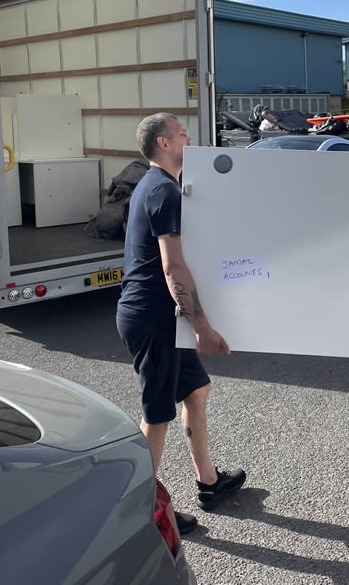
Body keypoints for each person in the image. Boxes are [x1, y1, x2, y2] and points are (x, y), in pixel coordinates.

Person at [116, 112, 246, 535]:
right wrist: (203, 328)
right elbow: (174, 268)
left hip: (161, 316)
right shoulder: (162, 190)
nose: (190, 138)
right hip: (151, 318)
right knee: (156, 415)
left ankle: (208, 483)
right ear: (164, 144)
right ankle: (143, 512)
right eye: (182, 133)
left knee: (197, 389)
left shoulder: (161, 186)